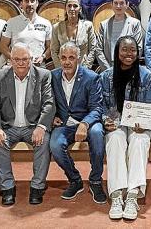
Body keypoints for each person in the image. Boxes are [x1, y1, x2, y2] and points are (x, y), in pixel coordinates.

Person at [0, 43, 55, 206]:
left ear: (31, 60)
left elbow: (49, 103)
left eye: (25, 59)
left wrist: (41, 126)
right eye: (16, 59)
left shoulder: (43, 75)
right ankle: (8, 188)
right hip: (8, 127)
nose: (21, 63)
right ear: (10, 60)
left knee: (44, 141)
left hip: (33, 126)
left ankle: (37, 187)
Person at [100, 35, 151, 220]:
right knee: (115, 139)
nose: (128, 53)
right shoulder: (106, 76)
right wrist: (104, 120)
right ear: (117, 52)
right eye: (124, 49)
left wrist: (145, 122)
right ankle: (117, 194)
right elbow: (99, 106)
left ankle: (132, 195)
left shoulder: (146, 75)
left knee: (139, 141)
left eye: (132, 50)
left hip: (138, 125)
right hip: (115, 123)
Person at [50, 42, 106, 203]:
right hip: (64, 124)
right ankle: (75, 180)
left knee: (96, 134)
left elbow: (97, 108)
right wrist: (52, 117)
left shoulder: (91, 77)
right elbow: (46, 102)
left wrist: (85, 124)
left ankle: (95, 180)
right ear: (59, 59)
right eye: (64, 58)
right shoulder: (52, 76)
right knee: (55, 144)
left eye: (71, 58)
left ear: (79, 59)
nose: (67, 62)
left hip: (88, 121)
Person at [0, 0, 52, 66]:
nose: (29, 4)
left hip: (38, 67)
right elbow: (3, 46)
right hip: (17, 67)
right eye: (26, 1)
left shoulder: (46, 23)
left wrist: (43, 57)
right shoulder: (11, 22)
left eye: (32, 1)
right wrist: (14, 58)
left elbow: (51, 47)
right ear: (21, 4)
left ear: (37, 3)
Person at [96, 0, 143, 71]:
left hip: (129, 67)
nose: (118, 6)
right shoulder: (104, 25)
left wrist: (127, 66)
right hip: (108, 66)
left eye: (121, 3)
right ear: (111, 4)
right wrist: (107, 69)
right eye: (116, 3)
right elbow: (98, 49)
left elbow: (139, 47)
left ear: (127, 4)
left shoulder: (135, 23)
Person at [51, 0, 97, 69]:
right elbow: (54, 51)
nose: (72, 8)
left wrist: (86, 67)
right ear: (65, 8)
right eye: (69, 6)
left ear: (80, 9)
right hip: (64, 69)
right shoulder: (57, 27)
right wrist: (60, 68)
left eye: (75, 6)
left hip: (83, 68)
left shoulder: (88, 26)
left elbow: (93, 48)